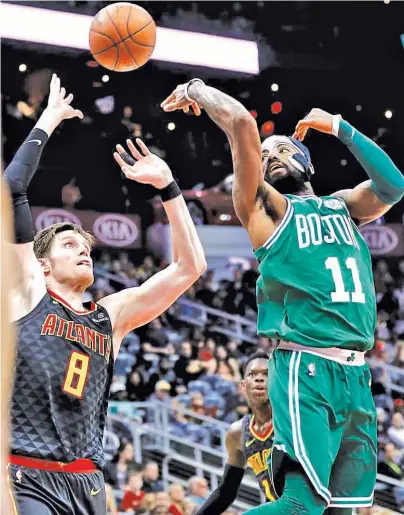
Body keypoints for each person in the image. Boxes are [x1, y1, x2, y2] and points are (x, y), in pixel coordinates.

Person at [162, 79, 404, 515]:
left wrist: (340, 128)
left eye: (282, 149)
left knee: (340, 512)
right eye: (266, 153)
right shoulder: (266, 209)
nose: (271, 156)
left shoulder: (343, 207)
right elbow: (240, 123)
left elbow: (394, 186)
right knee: (300, 507)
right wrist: (198, 90)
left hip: (356, 372)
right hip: (306, 365)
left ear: (307, 163)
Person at [5, 74, 206, 515]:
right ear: (42, 264)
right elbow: (11, 189)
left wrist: (168, 188)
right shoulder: (27, 294)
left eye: (85, 246)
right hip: (25, 474)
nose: (83, 250)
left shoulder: (110, 316)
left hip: (89, 481)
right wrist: (51, 118)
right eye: (69, 246)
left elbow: (189, 268)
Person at [194, 352, 275, 515]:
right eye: (253, 374)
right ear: (243, 386)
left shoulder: (292, 421)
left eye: (266, 374)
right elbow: (226, 493)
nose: (259, 378)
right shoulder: (238, 432)